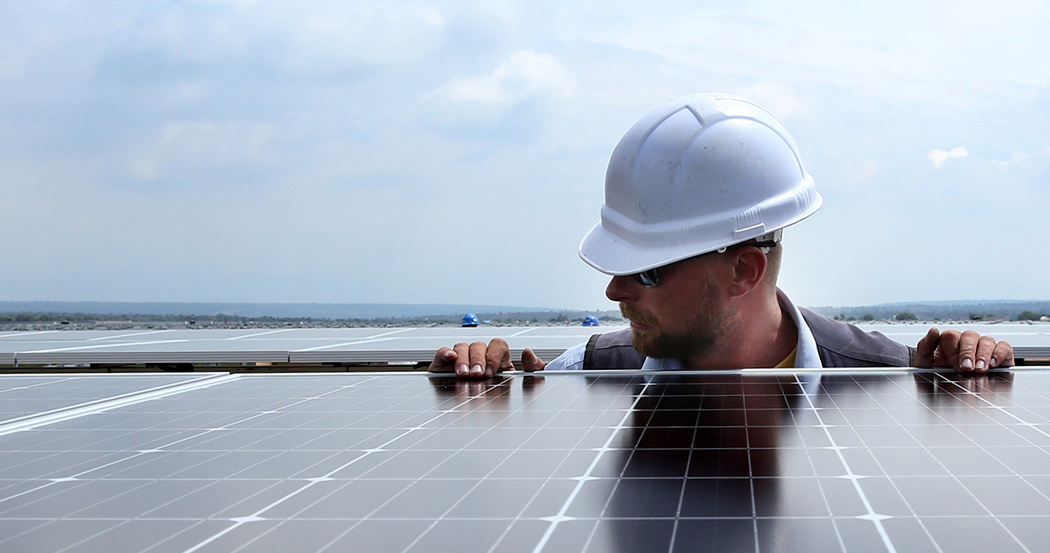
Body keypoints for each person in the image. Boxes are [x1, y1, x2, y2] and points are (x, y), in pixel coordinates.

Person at [431, 93, 1013, 378]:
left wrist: (982, 370)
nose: (614, 291)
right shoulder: (586, 372)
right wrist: (475, 384)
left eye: (650, 268)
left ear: (743, 270)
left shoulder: (890, 382)